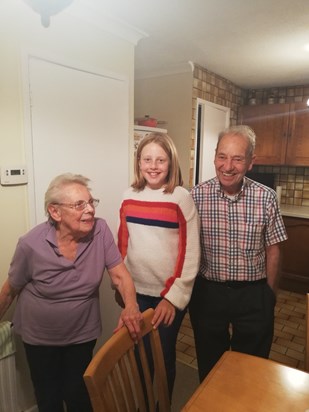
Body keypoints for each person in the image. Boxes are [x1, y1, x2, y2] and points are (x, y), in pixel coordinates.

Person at [0, 173, 142, 412]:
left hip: (81, 333)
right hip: (40, 337)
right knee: (48, 397)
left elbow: (119, 273)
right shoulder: (30, 244)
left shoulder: (100, 231)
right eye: (79, 205)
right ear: (55, 212)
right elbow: (9, 290)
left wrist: (131, 305)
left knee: (78, 394)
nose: (90, 210)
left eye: (90, 202)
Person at [189, 125, 288, 382]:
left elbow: (274, 249)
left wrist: (269, 295)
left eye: (237, 158)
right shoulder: (196, 196)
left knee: (251, 369)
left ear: (251, 162)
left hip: (253, 294)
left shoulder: (266, 198)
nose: (228, 166)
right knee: (210, 368)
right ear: (214, 157)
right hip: (209, 293)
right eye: (222, 156)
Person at [117, 132, 200, 400]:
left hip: (167, 296)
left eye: (160, 160)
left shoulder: (180, 197)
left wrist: (173, 299)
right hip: (135, 293)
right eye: (147, 159)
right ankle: (142, 403)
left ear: (171, 162)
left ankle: (160, 405)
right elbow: (122, 245)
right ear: (138, 162)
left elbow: (191, 254)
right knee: (138, 355)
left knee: (162, 357)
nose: (153, 166)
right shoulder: (128, 196)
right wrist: (121, 287)